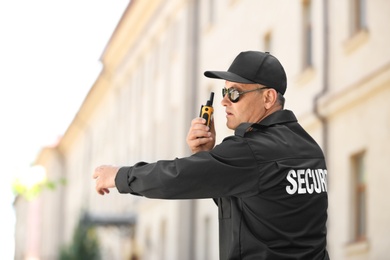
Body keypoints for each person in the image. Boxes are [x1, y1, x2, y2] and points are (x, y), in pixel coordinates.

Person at [93, 51, 329, 259]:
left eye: (235, 93)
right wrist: (209, 158)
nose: (225, 101)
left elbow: (177, 178)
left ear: (268, 98)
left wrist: (119, 176)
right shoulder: (309, 148)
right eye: (224, 91)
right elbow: (256, 208)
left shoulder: (251, 150)